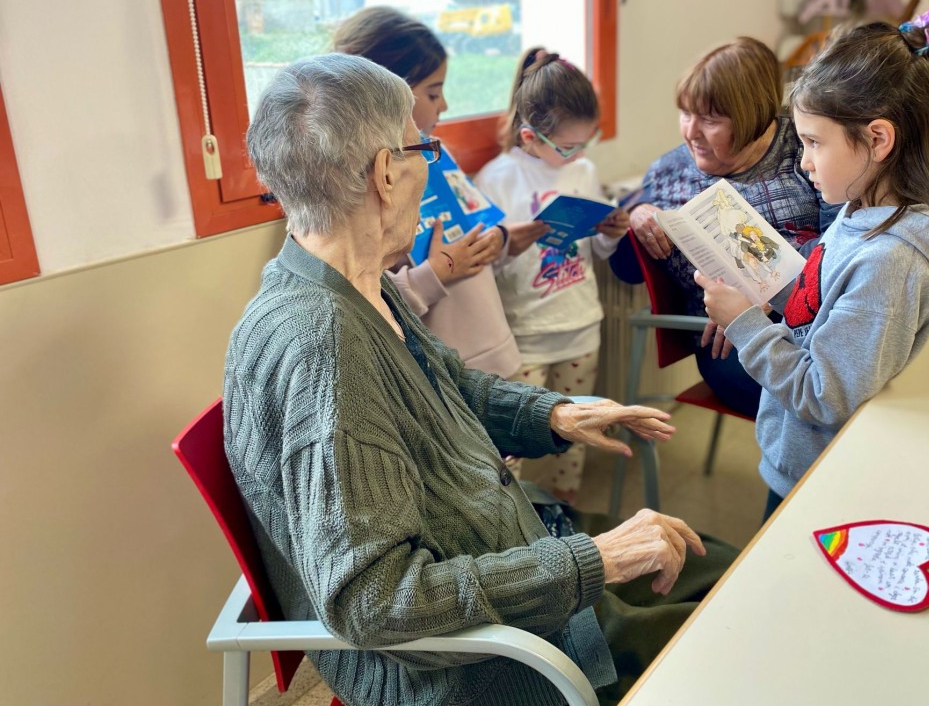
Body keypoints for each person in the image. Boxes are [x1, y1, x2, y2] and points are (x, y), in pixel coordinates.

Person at [225, 53, 731, 706]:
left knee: (720, 566)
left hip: (511, 550)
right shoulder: (323, 349)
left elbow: (449, 389)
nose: (430, 165)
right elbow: (378, 601)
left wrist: (554, 413)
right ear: (386, 173)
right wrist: (595, 560)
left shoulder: (356, 280)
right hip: (474, 660)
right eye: (423, 149)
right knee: (726, 637)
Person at [693, 14, 929, 522]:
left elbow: (822, 395)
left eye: (814, 142)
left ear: (878, 140)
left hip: (823, 476)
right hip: (804, 460)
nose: (804, 161)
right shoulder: (859, 211)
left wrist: (744, 324)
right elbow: (820, 302)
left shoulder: (890, 262)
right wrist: (766, 291)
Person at [624, 38, 840, 417]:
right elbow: (624, 271)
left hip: (821, 320)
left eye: (710, 120)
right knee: (827, 401)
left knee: (850, 380)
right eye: (685, 114)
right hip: (727, 344)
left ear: (752, 116)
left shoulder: (804, 149)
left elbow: (841, 245)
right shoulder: (668, 172)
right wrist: (638, 214)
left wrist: (768, 294)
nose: (691, 133)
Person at [332, 6, 549, 378]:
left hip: (496, 354)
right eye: (433, 93)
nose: (444, 106)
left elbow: (469, 236)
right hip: (442, 378)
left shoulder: (434, 154)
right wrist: (435, 274)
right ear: (384, 96)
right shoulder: (351, 193)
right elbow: (361, 308)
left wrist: (499, 240)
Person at [475, 48, 630, 503]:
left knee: (577, 431)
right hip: (525, 333)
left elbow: (595, 249)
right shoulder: (496, 179)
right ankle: (515, 522)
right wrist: (509, 245)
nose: (579, 154)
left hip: (581, 326)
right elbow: (482, 268)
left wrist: (611, 235)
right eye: (568, 147)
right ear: (529, 136)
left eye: (586, 142)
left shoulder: (583, 171)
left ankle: (566, 503)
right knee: (511, 444)